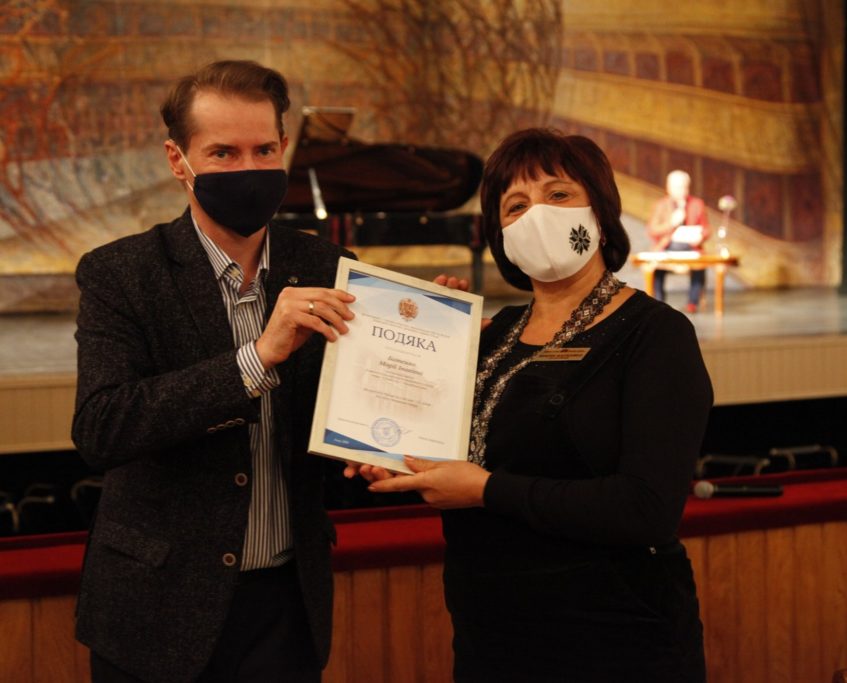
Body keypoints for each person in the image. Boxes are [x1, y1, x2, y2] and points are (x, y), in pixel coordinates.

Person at [354, 129, 713, 682]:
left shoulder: (655, 334)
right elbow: (455, 455)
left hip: (612, 638)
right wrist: (397, 454)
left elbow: (647, 509)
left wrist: (485, 489)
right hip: (492, 633)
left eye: (558, 194)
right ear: (501, 235)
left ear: (600, 212)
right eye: (515, 206)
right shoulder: (492, 336)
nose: (537, 215)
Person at [72, 60, 358, 682]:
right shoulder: (120, 273)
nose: (248, 169)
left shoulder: (329, 265)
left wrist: (425, 346)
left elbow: (343, 418)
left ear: (284, 147)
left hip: (287, 608)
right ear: (178, 160)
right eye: (223, 153)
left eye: (263, 150)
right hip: (156, 610)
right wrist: (256, 358)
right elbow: (102, 427)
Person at [646, 169, 710, 313]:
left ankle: (692, 303)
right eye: (677, 187)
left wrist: (701, 236)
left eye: (684, 187)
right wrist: (671, 223)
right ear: (668, 188)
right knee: (655, 266)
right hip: (667, 246)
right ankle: (659, 303)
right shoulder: (661, 205)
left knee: (700, 265)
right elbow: (652, 230)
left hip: (691, 247)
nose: (681, 191)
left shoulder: (697, 204)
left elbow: (707, 229)